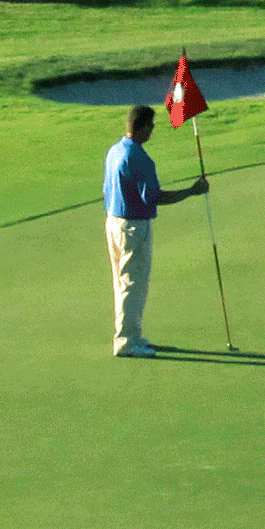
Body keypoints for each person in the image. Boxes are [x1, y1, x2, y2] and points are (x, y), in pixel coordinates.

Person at [101, 102, 165, 355]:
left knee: (123, 282)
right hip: (133, 226)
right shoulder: (139, 157)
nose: (152, 131)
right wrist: (192, 192)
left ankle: (133, 335)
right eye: (151, 126)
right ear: (143, 127)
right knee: (132, 284)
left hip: (114, 221)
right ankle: (126, 341)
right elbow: (155, 196)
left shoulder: (114, 150)